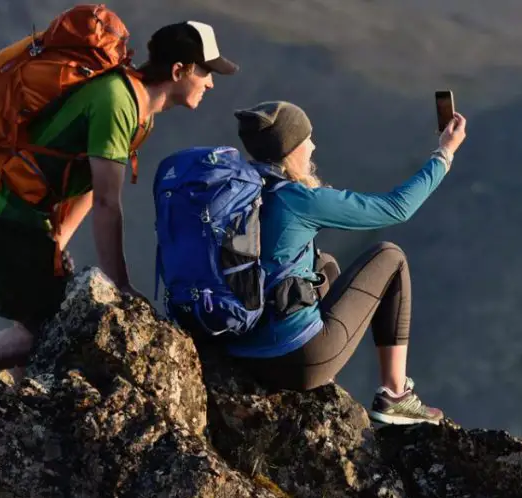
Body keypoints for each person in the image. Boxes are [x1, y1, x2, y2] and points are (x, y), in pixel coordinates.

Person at [0, 20, 240, 407]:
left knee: (40, 317)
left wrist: (58, 238)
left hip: (17, 210)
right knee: (50, 326)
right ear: (179, 70)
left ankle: (17, 401)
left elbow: (85, 185)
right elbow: (105, 202)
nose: (210, 82)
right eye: (205, 71)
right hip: (4, 210)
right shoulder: (118, 101)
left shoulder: (139, 109)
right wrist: (119, 282)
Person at [177, 100, 467, 425]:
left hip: (239, 349)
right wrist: (444, 154)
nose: (313, 146)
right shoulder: (298, 199)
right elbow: (396, 208)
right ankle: (395, 395)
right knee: (390, 257)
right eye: (307, 140)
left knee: (324, 264)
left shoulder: (237, 194)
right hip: (296, 360)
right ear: (290, 148)